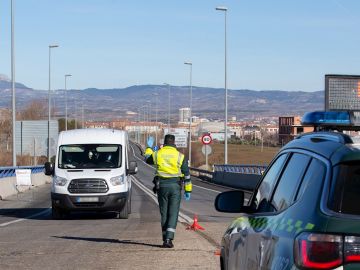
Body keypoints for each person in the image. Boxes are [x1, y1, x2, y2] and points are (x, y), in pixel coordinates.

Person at [144, 134, 192, 248]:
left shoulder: (158, 154)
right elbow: (187, 174)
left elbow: (147, 159)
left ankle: (165, 238)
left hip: (162, 187)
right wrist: (188, 190)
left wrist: (149, 147)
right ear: (174, 143)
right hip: (175, 187)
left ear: (164, 143)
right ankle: (169, 239)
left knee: (164, 213)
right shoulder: (180, 156)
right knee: (173, 213)